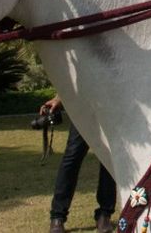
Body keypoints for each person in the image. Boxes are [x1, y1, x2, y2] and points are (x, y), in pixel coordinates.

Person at [40, 96, 117, 233]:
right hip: (84, 108)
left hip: (110, 106)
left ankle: (104, 215)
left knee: (108, 160)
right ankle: (57, 216)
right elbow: (76, 77)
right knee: (72, 158)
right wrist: (60, 97)